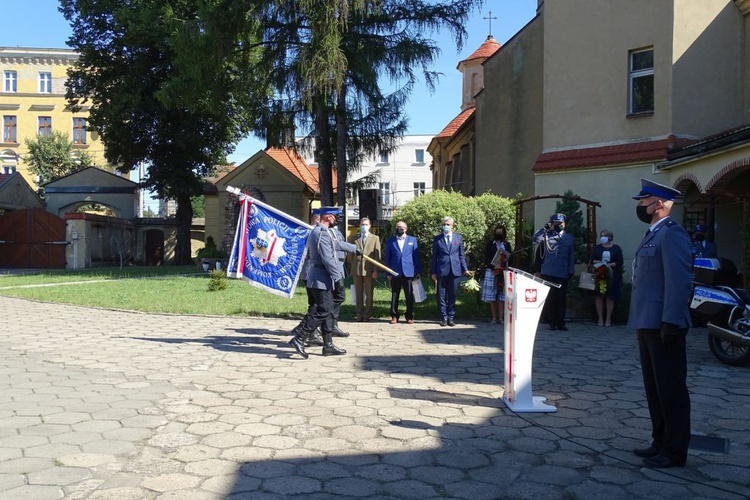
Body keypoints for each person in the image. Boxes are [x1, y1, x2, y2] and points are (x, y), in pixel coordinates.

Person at [629, 178, 692, 469]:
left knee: (671, 388)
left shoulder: (672, 234)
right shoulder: (652, 234)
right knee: (654, 388)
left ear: (659, 204)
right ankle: (660, 441)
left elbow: (678, 282)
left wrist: (672, 320)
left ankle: (675, 450)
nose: (640, 205)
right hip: (647, 322)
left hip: (664, 324)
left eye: (644, 201)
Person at [289, 206, 360, 359]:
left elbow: (337, 244)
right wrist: (337, 277)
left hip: (323, 278)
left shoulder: (325, 232)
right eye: (335, 217)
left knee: (325, 310)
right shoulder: (320, 232)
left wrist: (355, 249)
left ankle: (328, 345)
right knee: (323, 311)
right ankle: (300, 337)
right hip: (320, 278)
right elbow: (327, 257)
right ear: (329, 217)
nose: (336, 220)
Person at [532, 213, 575, 331]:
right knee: (550, 297)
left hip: (562, 271)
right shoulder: (547, 235)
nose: (558, 225)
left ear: (564, 224)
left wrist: (571, 270)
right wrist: (545, 228)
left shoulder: (569, 238)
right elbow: (534, 239)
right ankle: (551, 322)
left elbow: (571, 256)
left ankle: (560, 322)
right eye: (556, 223)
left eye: (560, 223)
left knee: (561, 298)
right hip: (548, 271)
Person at [430, 216, 470, 327]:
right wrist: (433, 272)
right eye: (444, 224)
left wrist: (465, 269)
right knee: (441, 295)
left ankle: (451, 317)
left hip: (455, 270)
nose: (446, 226)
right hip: (442, 270)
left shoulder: (458, 238)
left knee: (452, 294)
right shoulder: (437, 239)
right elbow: (434, 257)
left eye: (448, 224)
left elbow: (461, 255)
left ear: (452, 225)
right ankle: (443, 317)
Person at [384, 220, 422, 324]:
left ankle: (409, 316)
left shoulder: (412, 240)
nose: (400, 229)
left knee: (409, 295)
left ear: (406, 229)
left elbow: (416, 256)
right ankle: (394, 315)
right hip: (395, 272)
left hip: (409, 271)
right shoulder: (391, 241)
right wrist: (387, 272)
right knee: (395, 294)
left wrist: (418, 271)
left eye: (402, 227)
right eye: (398, 227)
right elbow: (387, 257)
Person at [348, 217, 381, 322]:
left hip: (369, 270)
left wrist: (375, 270)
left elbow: (377, 256)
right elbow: (350, 255)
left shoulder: (375, 238)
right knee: (358, 293)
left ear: (370, 226)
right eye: (362, 224)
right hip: (357, 269)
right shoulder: (354, 238)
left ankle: (367, 314)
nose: (364, 226)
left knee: (369, 293)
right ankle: (359, 313)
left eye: (366, 224)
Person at [589, 229, 624, 327]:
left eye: (604, 236)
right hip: (599, 274)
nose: (602, 238)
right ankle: (600, 318)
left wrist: (613, 264)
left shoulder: (616, 248)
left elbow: (620, 261)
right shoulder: (597, 248)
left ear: (610, 237)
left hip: (612, 275)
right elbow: (592, 259)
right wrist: (596, 262)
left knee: (610, 297)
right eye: (601, 236)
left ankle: (608, 319)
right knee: (599, 296)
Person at [482, 224, 512, 324]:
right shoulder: (490, 244)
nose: (498, 234)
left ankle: (501, 317)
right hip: (492, 271)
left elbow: (510, 257)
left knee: (502, 296)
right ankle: (494, 317)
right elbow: (486, 258)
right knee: (491, 295)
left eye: (501, 232)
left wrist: (505, 263)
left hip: (503, 272)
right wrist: (494, 267)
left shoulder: (507, 244)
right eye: (497, 232)